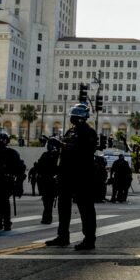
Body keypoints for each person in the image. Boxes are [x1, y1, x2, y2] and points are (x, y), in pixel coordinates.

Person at [46, 103, 98, 251]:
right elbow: (64, 151)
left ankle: (89, 239)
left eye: (75, 116)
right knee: (63, 206)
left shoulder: (89, 132)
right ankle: (63, 236)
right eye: (72, 116)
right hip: (66, 174)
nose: (73, 119)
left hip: (82, 175)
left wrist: (62, 145)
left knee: (85, 207)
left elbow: (83, 151)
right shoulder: (70, 132)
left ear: (81, 118)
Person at [0, 130, 25, 232]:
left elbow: (20, 168)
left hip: (6, 182)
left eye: (3, 139)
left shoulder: (12, 153)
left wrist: (18, 182)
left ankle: (7, 223)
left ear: (7, 141)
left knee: (4, 203)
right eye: (0, 139)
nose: (1, 141)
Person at [36, 138, 61, 224]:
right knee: (46, 200)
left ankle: (47, 218)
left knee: (48, 201)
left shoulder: (58, 156)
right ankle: (47, 217)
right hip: (44, 180)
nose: (48, 146)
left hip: (52, 181)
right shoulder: (45, 154)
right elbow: (40, 166)